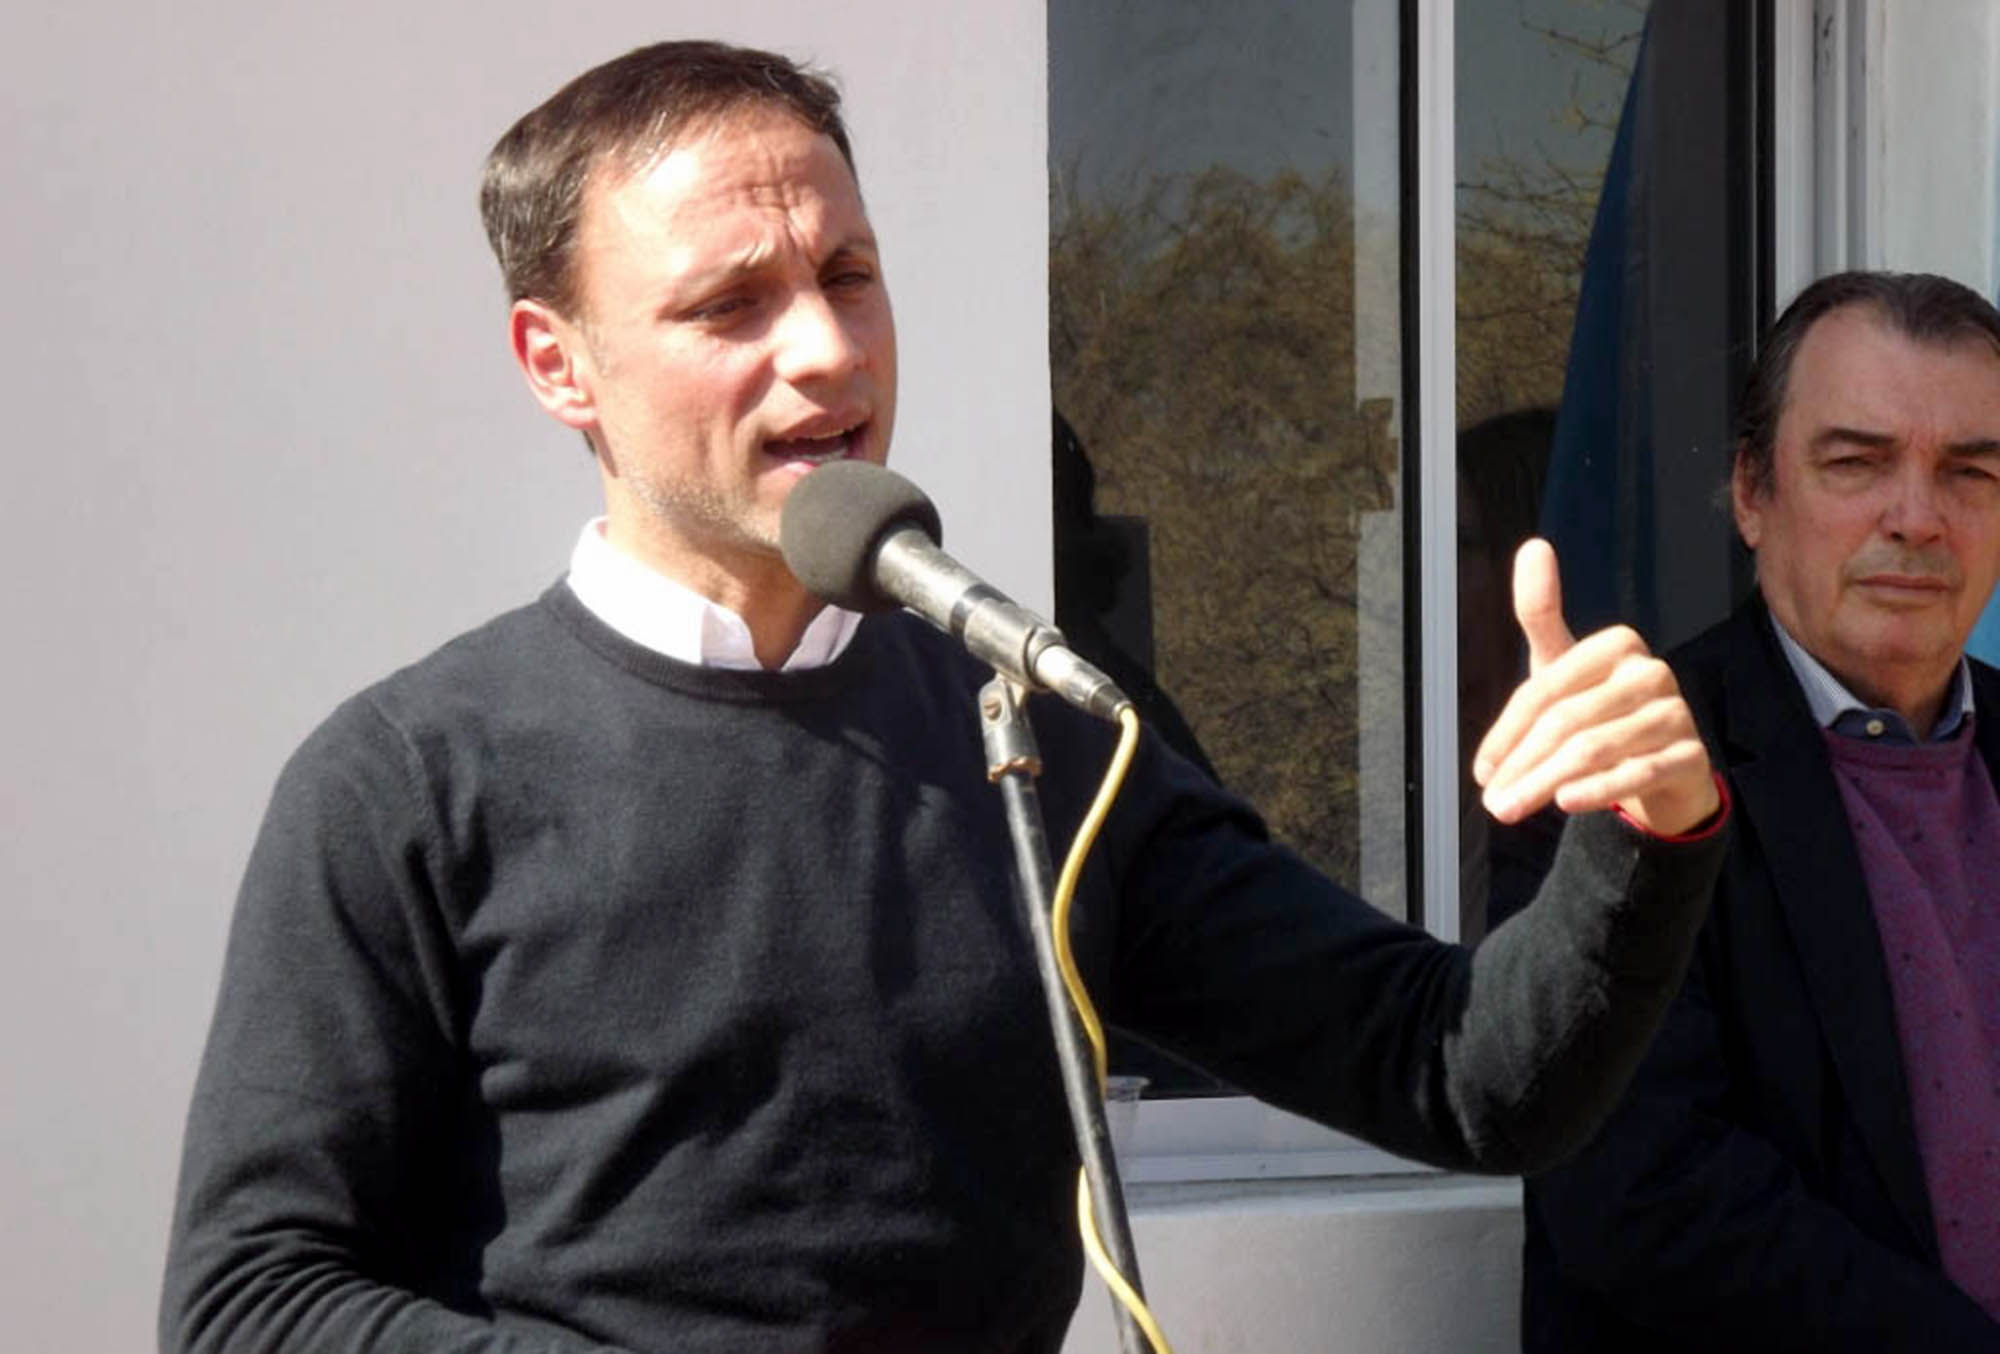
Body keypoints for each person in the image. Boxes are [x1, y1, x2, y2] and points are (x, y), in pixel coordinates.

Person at [159, 40, 1727, 1354]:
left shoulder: (1043, 732)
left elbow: (1463, 1074)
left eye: (849, 275)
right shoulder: (408, 781)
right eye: (732, 304)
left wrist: (1645, 833)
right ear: (557, 362)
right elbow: (251, 1304)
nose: (827, 350)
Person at [1501, 270, 2000, 1350]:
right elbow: (1645, 1200)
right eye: (1855, 463)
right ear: (1749, 494)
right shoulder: (1622, 770)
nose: (1917, 518)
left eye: (1969, 472)